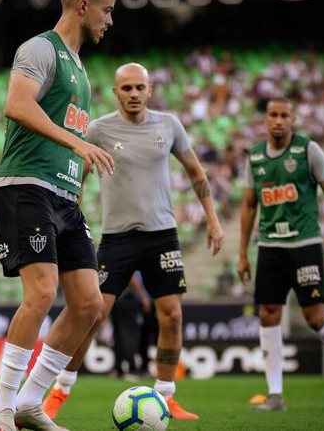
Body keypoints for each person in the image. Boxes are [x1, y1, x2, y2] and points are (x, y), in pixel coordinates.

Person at [42, 62, 224, 421]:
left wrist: (214, 220)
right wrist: (72, 202)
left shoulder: (168, 125)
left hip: (162, 235)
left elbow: (196, 172)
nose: (134, 94)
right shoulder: (98, 129)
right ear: (116, 93)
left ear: (150, 89)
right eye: (126, 89)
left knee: (171, 315)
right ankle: (59, 391)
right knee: (92, 315)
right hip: (117, 238)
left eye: (140, 87)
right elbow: (75, 168)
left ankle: (166, 396)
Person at [0, 0, 119, 430]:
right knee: (41, 293)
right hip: (26, 187)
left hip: (63, 196)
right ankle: (0, 408)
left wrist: (76, 178)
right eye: (106, 10)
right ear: (83, 5)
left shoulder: (80, 70)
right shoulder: (40, 49)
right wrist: (77, 145)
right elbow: (17, 105)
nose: (109, 20)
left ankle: (29, 403)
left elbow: (64, 133)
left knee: (88, 304)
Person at [237, 97, 324, 411]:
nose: (278, 121)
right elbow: (249, 205)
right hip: (269, 247)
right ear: (265, 119)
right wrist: (243, 253)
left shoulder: (308, 150)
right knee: (268, 314)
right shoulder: (255, 157)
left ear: (293, 119)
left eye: (284, 116)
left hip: (305, 245)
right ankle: (275, 395)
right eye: (273, 115)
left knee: (315, 318)